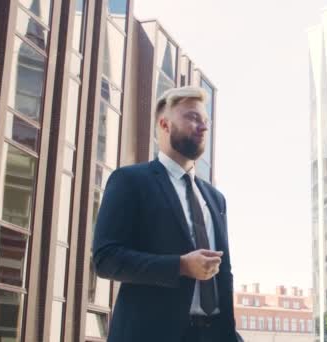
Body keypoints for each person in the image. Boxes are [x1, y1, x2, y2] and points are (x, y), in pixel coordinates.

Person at [92, 86, 238, 342]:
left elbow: (223, 275)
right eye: (193, 117)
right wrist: (180, 266)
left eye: (206, 121)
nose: (203, 127)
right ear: (164, 124)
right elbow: (106, 258)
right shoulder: (130, 181)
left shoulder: (216, 199)